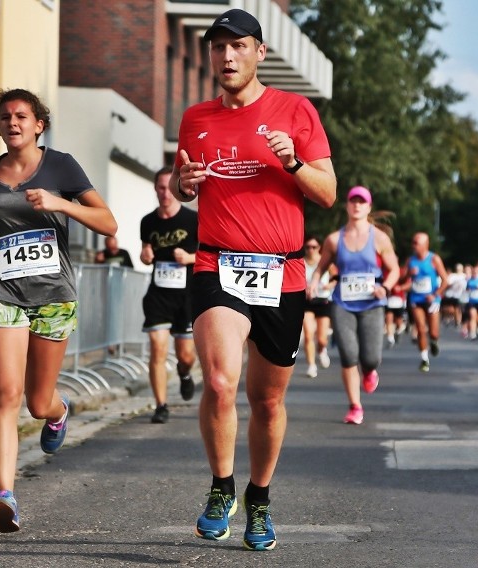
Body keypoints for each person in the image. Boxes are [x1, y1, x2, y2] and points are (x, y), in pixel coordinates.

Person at [170, 8, 336, 552]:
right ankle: (222, 489)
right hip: (217, 263)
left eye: (238, 46)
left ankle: (258, 499)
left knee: (266, 402)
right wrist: (184, 182)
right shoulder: (195, 118)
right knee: (220, 382)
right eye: (218, 48)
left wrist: (292, 164)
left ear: (260, 52)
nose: (227, 57)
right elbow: (183, 182)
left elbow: (328, 192)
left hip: (281, 270)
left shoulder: (295, 110)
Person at [0, 88, 117, 533]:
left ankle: (58, 409)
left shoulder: (61, 165)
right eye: (5, 116)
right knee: (7, 393)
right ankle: (4, 494)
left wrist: (60, 202)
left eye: (22, 116)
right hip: (3, 291)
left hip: (53, 294)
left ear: (38, 124)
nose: (13, 123)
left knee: (35, 402)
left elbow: (109, 223)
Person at [309, 186, 399, 425]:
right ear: (347, 206)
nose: (357, 205)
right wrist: (314, 283)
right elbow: (321, 267)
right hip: (343, 303)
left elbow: (394, 269)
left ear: (368, 207)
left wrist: (386, 287)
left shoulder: (379, 238)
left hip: (371, 303)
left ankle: (369, 371)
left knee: (370, 357)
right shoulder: (334, 239)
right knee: (348, 355)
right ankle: (355, 406)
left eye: (362, 202)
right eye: (353, 201)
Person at [139, 166, 199, 423]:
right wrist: (145, 255)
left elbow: (209, 254)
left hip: (186, 295)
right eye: (160, 188)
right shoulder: (148, 221)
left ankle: (184, 374)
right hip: (158, 295)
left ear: (176, 188)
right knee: (157, 347)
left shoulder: (192, 220)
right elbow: (145, 252)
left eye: (168, 188)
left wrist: (189, 258)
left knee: (186, 355)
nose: (165, 193)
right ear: (155, 189)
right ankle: (160, 405)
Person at [401, 232, 448, 372]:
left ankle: (433, 341)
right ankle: (424, 359)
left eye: (417, 243)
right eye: (413, 242)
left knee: (433, 332)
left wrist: (435, 295)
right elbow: (403, 279)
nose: (413, 245)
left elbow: (446, 281)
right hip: (416, 299)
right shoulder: (410, 261)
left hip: (432, 300)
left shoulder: (434, 259)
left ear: (425, 245)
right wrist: (410, 273)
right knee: (421, 329)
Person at [302, 235, 335, 378]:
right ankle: (311, 365)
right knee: (308, 334)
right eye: (308, 247)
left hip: (323, 300)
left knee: (321, 338)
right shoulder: (301, 263)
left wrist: (330, 285)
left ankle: (322, 350)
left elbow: (336, 278)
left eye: (314, 247)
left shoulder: (325, 262)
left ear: (319, 248)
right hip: (307, 302)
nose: (310, 250)